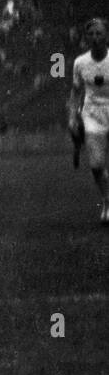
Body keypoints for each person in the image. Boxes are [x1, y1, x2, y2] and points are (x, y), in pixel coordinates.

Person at [69, 16, 109, 223]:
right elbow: (75, 92)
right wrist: (72, 116)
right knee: (95, 165)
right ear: (86, 37)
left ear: (106, 36)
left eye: (99, 33)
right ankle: (106, 201)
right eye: (91, 34)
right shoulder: (80, 63)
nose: (95, 38)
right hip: (92, 114)